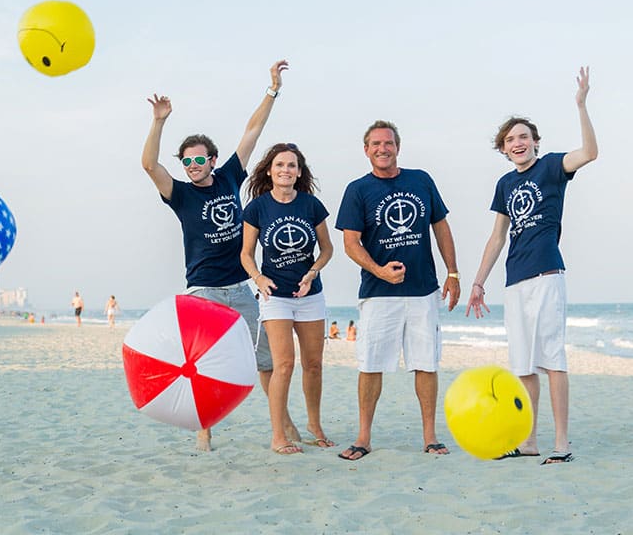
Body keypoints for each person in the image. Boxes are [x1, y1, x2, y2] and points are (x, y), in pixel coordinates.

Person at [141, 59, 299, 452]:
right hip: (203, 292)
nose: (193, 166)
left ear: (212, 159)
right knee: (199, 365)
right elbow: (148, 164)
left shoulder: (229, 176)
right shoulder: (180, 194)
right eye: (187, 161)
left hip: (240, 288)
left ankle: (284, 423)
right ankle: (204, 428)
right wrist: (160, 121)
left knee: (263, 360)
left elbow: (253, 131)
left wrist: (272, 90)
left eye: (200, 159)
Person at [465, 67, 598, 465]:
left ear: (535, 142)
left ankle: (562, 444)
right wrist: (477, 282)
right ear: (503, 150)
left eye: (524, 137)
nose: (518, 143)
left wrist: (581, 104)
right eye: (510, 140)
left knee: (552, 358)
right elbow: (497, 237)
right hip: (514, 280)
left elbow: (590, 153)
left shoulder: (553, 167)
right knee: (522, 365)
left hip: (547, 275)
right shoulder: (505, 184)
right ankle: (528, 442)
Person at [335, 120, 461, 460]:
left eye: (388, 143)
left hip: (423, 291)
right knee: (371, 364)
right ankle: (363, 438)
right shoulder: (358, 189)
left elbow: (441, 226)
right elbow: (350, 242)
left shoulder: (420, 180)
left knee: (426, 363)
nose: (382, 149)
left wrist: (453, 272)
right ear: (366, 150)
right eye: (375, 144)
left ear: (397, 147)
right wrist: (379, 270)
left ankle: (430, 437)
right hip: (378, 293)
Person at [240, 142, 335, 455]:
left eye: (291, 165)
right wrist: (259, 278)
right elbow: (246, 254)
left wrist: (313, 272)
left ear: (299, 172)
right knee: (283, 365)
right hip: (275, 296)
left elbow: (327, 249)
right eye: (280, 165)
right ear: (270, 170)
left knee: (314, 365)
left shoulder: (311, 205)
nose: (285, 170)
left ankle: (314, 425)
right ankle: (278, 435)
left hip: (310, 295)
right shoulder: (257, 207)